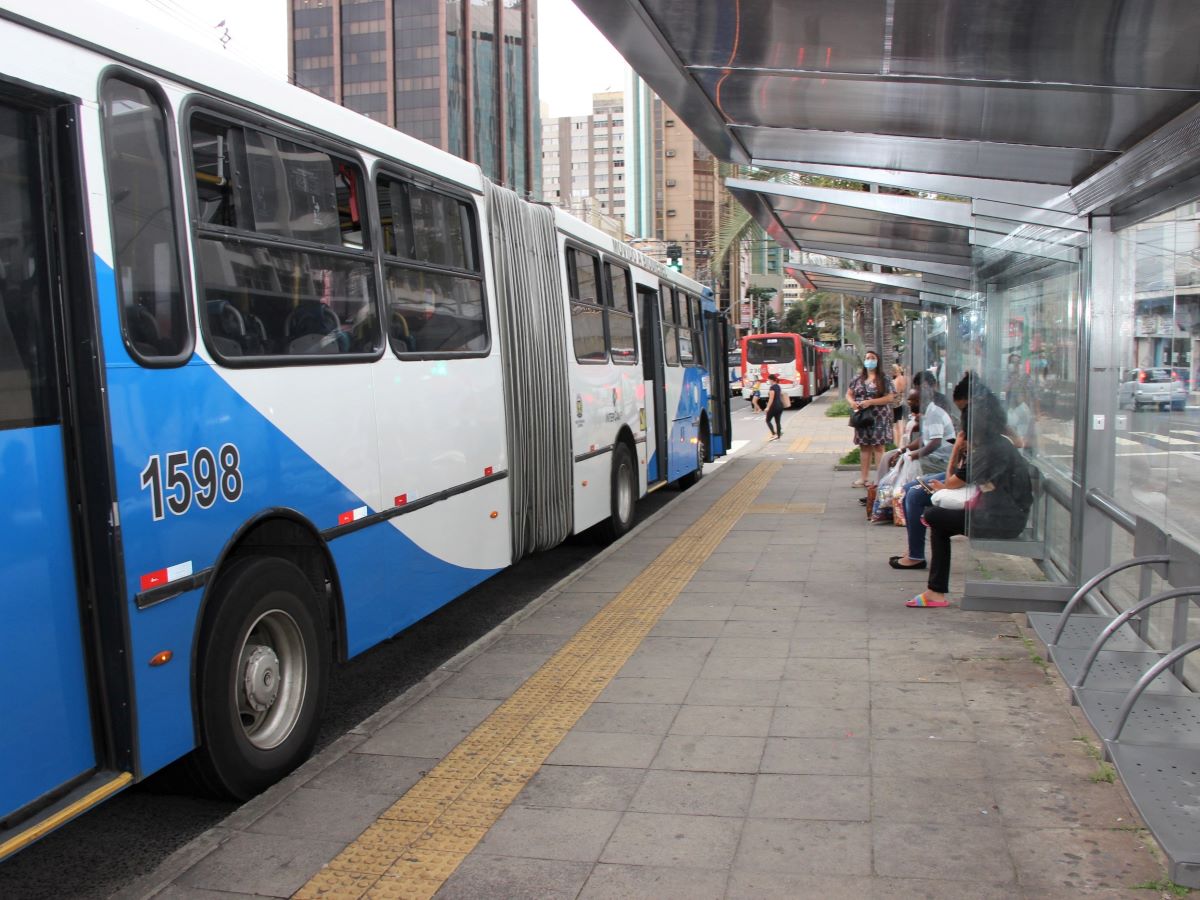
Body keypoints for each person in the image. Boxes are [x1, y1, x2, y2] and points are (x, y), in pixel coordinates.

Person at [907, 386, 1032, 608]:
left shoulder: (988, 451)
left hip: (1002, 521)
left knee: (934, 516)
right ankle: (935, 591)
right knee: (938, 520)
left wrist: (957, 449)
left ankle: (936, 591)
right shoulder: (999, 444)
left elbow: (952, 481)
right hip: (1004, 515)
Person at [846, 350, 895, 488]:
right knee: (864, 446)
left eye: (872, 358)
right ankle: (864, 478)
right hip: (861, 417)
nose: (870, 360)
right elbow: (849, 394)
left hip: (879, 417)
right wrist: (852, 403)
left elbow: (890, 397)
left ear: (877, 361)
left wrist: (871, 402)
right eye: (867, 358)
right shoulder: (857, 379)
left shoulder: (884, 379)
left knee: (879, 447)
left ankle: (880, 479)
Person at [891, 363, 908, 447]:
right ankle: (899, 443)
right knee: (899, 424)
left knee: (895, 426)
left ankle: (897, 444)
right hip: (901, 402)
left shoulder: (897, 380)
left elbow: (895, 393)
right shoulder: (903, 378)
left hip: (895, 404)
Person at [764, 373, 784, 440]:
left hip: (774, 406)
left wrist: (767, 407)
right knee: (777, 421)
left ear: (772, 380)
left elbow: (771, 398)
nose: (768, 381)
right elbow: (780, 395)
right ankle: (778, 434)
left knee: (767, 420)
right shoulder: (778, 386)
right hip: (780, 406)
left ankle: (774, 434)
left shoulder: (772, 388)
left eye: (769, 380)